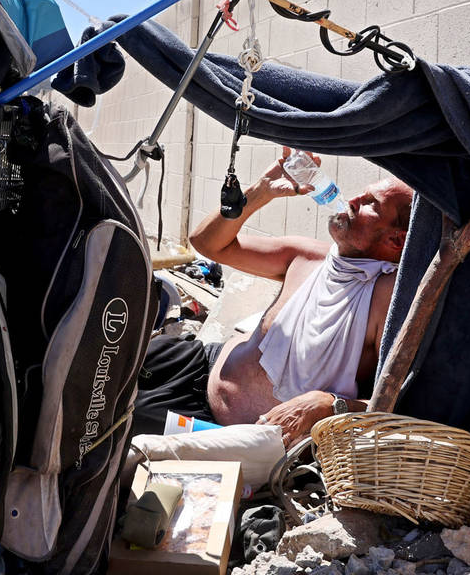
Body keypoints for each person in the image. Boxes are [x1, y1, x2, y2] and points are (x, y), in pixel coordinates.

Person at [133, 148, 414, 448]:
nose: (354, 201)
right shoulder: (309, 256)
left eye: (372, 205)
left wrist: (330, 404)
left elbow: (400, 406)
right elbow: (206, 243)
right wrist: (260, 191)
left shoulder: (387, 295)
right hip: (201, 362)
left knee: (110, 421)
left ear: (396, 240)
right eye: (362, 194)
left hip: (221, 429)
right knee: (106, 357)